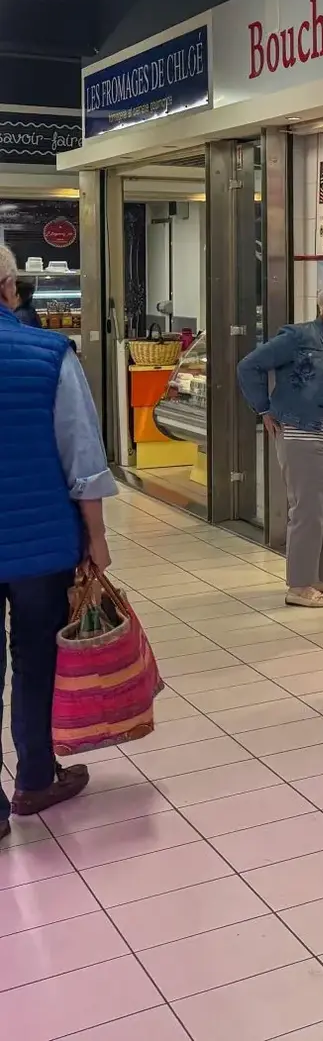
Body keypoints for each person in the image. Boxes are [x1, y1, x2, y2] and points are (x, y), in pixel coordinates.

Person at [0, 245, 114, 831]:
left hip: (35, 542)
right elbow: (83, 455)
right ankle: (36, 778)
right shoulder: (50, 354)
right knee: (37, 658)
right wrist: (97, 537)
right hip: (40, 545)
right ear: (9, 287)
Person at [236, 280, 323, 607]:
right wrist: (264, 408)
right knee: (308, 511)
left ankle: (321, 576)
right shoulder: (299, 337)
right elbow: (249, 366)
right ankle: (299, 585)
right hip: (304, 435)